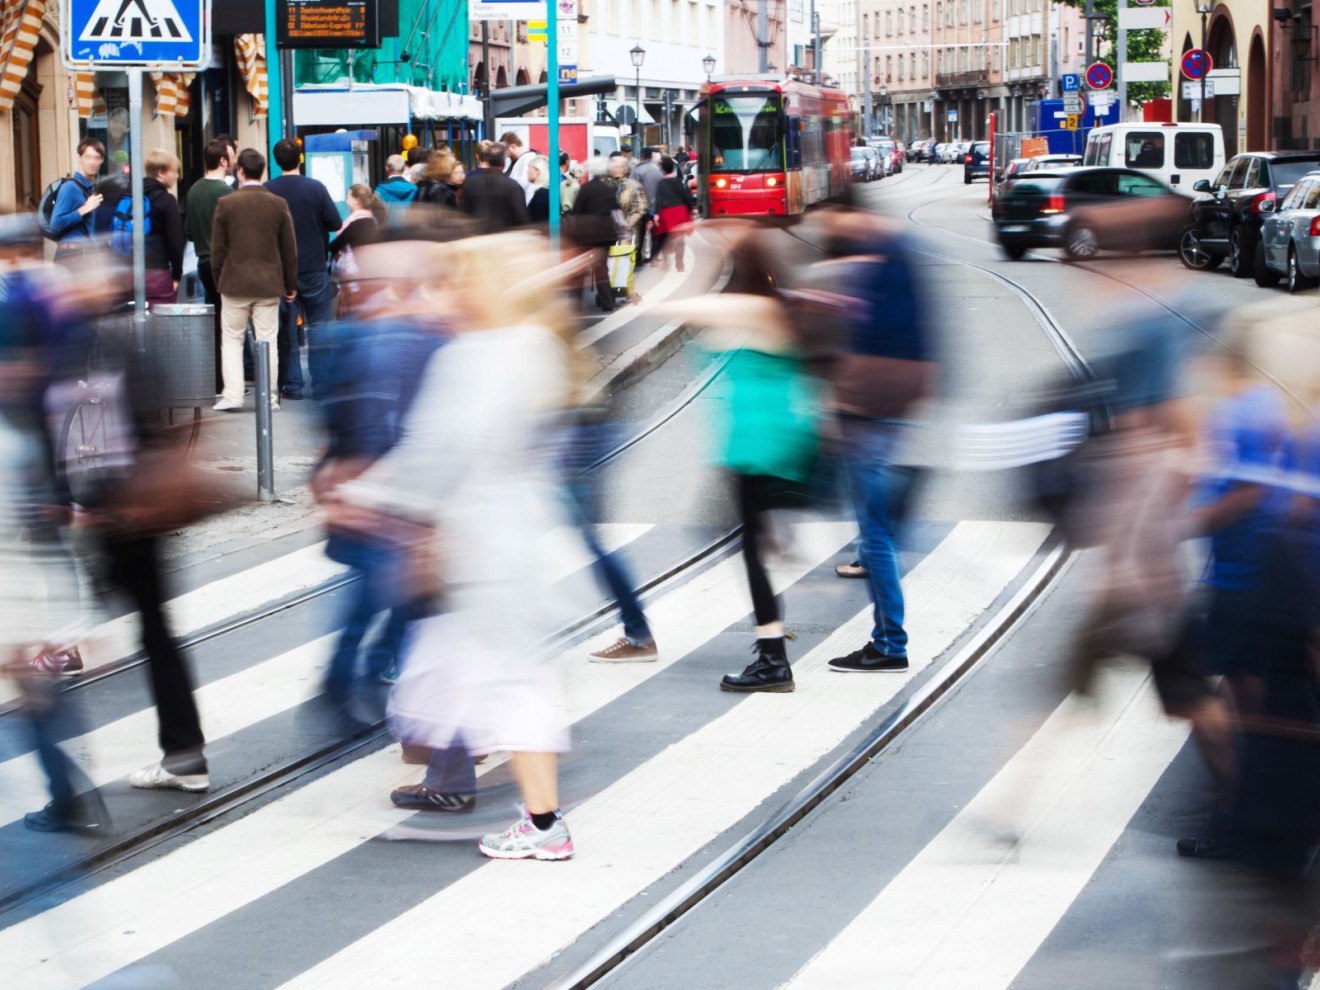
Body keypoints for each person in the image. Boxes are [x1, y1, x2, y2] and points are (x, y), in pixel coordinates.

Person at [325, 232, 580, 860]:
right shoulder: (533, 346)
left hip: (482, 542)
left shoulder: (476, 357)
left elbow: (439, 452)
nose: (442, 296)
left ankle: (543, 826)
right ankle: (455, 782)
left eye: (454, 283)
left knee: (513, 683)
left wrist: (364, 495)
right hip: (510, 534)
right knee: (456, 670)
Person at [812, 210, 937, 674]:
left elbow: (841, 346)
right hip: (885, 417)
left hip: (866, 420)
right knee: (878, 532)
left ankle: (889, 643)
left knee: (877, 535)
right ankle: (888, 639)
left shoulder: (870, 274)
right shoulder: (900, 268)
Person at [211, 148, 298, 412]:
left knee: (232, 340)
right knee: (267, 340)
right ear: (263, 171)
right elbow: (289, 250)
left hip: (234, 283)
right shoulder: (278, 203)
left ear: (240, 171)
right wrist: (290, 284)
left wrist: (219, 280)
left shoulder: (226, 204)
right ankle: (268, 398)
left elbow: (218, 251)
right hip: (269, 284)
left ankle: (234, 395)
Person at [265, 138, 341, 400]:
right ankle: (321, 384)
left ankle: (293, 384)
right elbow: (334, 222)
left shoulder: (268, 190)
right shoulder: (316, 188)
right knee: (319, 326)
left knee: (287, 328)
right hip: (315, 267)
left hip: (283, 270)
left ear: (276, 160)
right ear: (300, 158)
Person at [184, 137, 233, 393]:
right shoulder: (226, 192)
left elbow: (189, 232)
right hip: (224, 263)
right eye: (231, 156)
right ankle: (226, 380)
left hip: (203, 261)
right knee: (229, 323)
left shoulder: (193, 191)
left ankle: (214, 379)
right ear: (223, 160)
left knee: (214, 321)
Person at [569, 156, 620, 312]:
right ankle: (607, 301)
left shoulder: (585, 189)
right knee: (602, 268)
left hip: (587, 234)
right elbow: (616, 210)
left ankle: (576, 303)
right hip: (606, 234)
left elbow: (576, 212)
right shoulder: (609, 189)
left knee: (581, 269)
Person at [48, 138, 105, 258]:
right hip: (71, 256)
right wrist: (84, 209)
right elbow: (55, 226)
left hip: (85, 255)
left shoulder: (90, 188)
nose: (92, 162)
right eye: (88, 157)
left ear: (102, 160)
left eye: (96, 158)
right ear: (79, 159)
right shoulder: (70, 188)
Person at [461, 143, 529, 233]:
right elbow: (521, 219)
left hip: (476, 240)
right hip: (504, 240)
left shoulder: (470, 183)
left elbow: (463, 214)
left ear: (487, 161)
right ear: (504, 163)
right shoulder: (513, 187)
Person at [650, 155, 696, 272]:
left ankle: (666, 260)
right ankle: (679, 264)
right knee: (680, 239)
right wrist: (691, 209)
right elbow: (686, 196)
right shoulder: (678, 182)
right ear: (673, 168)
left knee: (666, 238)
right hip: (680, 211)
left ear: (662, 169)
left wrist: (656, 214)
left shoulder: (660, 184)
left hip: (666, 213)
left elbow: (658, 199)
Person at [329, 184, 382, 278]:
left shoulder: (355, 224)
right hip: (367, 271)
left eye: (349, 197)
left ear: (357, 200)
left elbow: (335, 246)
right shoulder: (372, 221)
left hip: (352, 274)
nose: (347, 202)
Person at [606, 153, 648, 258]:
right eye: (612, 167)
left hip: (626, 232)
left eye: (617, 167)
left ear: (625, 169)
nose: (614, 169)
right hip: (608, 230)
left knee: (623, 262)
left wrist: (628, 223)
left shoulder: (633, 186)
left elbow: (640, 208)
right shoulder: (606, 184)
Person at [632, 148, 663, 264]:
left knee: (640, 233)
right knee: (655, 233)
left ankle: (639, 257)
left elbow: (632, 189)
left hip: (640, 207)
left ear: (642, 155)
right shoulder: (659, 170)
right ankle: (653, 256)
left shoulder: (637, 170)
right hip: (655, 207)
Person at [374, 154, 418, 223]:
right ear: (403, 169)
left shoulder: (380, 190)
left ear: (386, 168)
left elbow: (376, 216)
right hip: (409, 231)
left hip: (386, 231)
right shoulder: (414, 189)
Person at [525, 155, 552, 223]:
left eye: (529, 168)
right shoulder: (544, 192)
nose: (527, 171)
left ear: (537, 170)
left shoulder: (542, 194)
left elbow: (538, 220)